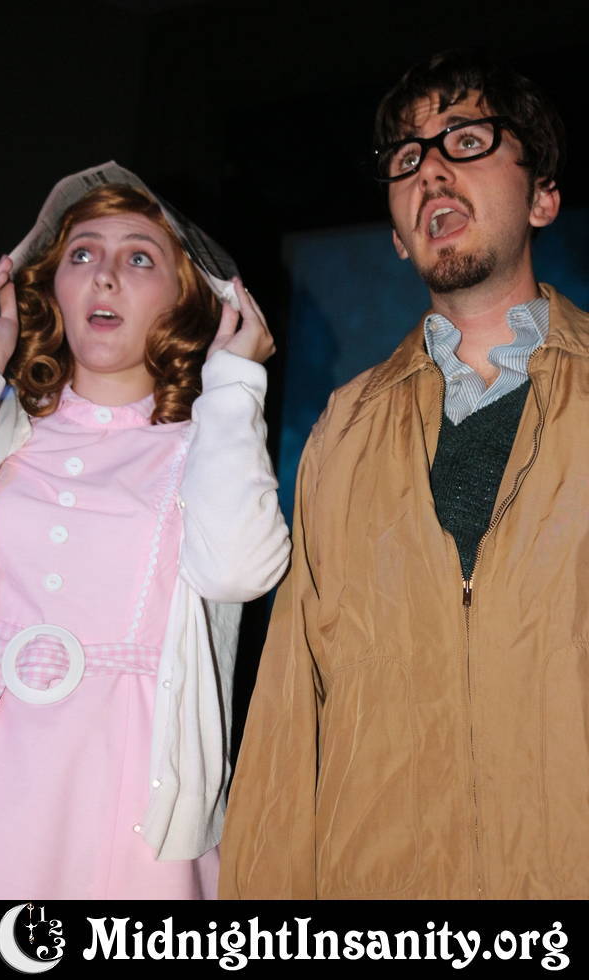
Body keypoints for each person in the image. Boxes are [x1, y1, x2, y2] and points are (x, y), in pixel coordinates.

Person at [219, 49, 589, 900]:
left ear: (542, 196)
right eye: (407, 156)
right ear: (394, 233)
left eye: (467, 139)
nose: (431, 170)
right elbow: (291, 707)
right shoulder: (342, 431)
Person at [0, 162, 290, 899]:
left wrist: (234, 388)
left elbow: (239, 572)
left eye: (140, 258)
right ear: (53, 286)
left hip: (130, 792)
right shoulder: (6, 429)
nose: (105, 275)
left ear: (185, 295)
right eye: (83, 253)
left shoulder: (202, 445)